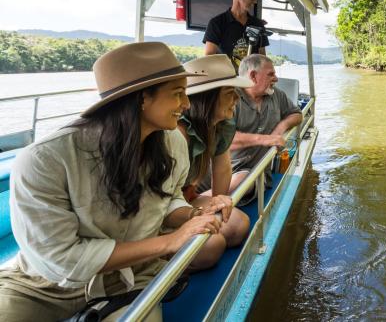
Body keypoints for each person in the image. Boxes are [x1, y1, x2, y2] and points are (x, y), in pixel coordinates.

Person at [0, 42, 225, 322]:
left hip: (131, 278)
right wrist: (170, 242)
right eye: (178, 93)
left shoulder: (173, 143)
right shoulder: (45, 160)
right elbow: (61, 258)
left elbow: (168, 199)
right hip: (44, 287)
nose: (187, 104)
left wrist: (193, 215)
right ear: (142, 98)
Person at [177, 54, 252, 255]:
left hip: (188, 197)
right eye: (230, 92)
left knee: (237, 226)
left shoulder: (219, 125)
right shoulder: (178, 133)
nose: (237, 98)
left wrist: (218, 204)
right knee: (212, 246)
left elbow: (222, 166)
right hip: (167, 209)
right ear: (207, 98)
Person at [228, 54, 302, 193]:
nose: (276, 78)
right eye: (271, 74)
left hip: (258, 171)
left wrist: (280, 127)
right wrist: (266, 139)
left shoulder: (277, 95)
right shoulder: (230, 98)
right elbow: (222, 140)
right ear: (253, 76)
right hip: (228, 169)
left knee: (243, 180)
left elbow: (297, 114)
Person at [203, 0, 269, 69]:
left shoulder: (258, 24)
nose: (254, 1)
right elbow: (209, 56)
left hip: (249, 79)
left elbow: (262, 57)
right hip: (226, 78)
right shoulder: (217, 23)